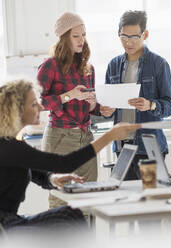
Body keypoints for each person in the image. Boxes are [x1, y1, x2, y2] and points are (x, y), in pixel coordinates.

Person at [0, 79, 140, 230]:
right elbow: (65, 163)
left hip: (1, 222)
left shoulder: (7, 144)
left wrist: (52, 179)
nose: (40, 107)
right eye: (33, 104)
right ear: (17, 111)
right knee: (69, 215)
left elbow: (34, 172)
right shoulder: (6, 146)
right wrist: (109, 136)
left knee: (70, 214)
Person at [100, 10, 171, 180]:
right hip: (122, 146)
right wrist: (107, 110)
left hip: (149, 147)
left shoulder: (159, 64)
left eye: (134, 37)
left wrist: (151, 105)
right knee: (126, 200)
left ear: (145, 34)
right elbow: (109, 106)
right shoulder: (113, 65)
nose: (128, 42)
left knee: (152, 198)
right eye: (123, 37)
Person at [37, 12, 100, 208]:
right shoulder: (50, 65)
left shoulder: (88, 68)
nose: (82, 40)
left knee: (89, 197)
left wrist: (95, 105)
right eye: (76, 36)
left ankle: (87, 239)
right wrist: (69, 95)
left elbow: (89, 109)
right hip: (60, 137)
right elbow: (38, 102)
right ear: (64, 37)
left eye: (83, 35)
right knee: (60, 199)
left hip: (85, 137)